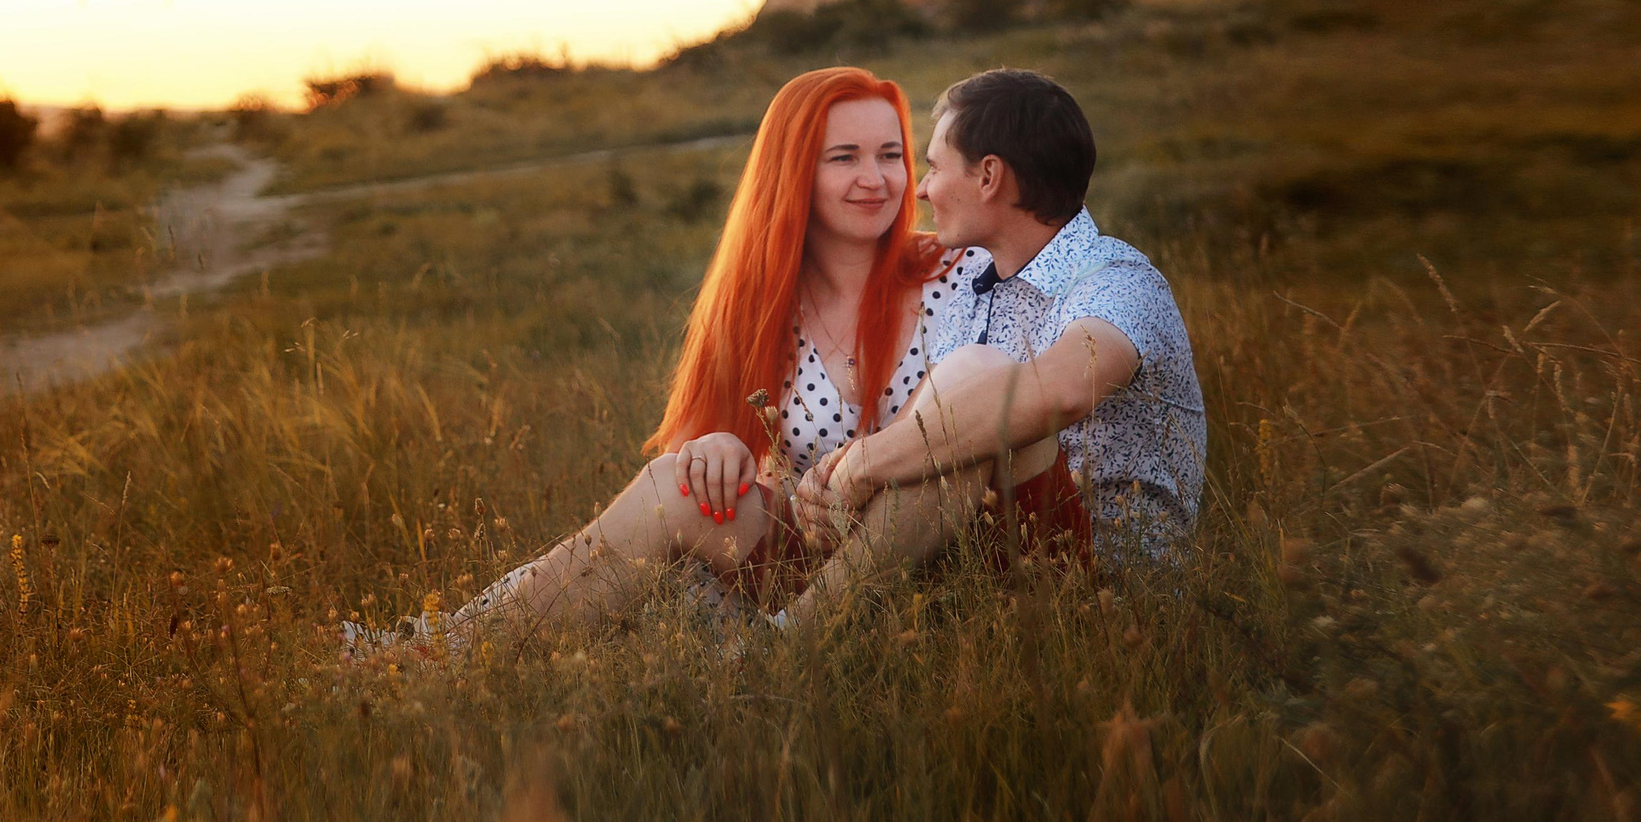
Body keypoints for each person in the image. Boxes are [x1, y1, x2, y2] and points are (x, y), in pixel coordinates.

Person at [346, 65, 956, 655]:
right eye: (844, 157)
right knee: (672, 488)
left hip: (956, 551)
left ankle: (435, 648)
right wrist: (714, 444)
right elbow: (691, 460)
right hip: (819, 567)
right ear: (793, 171)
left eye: (891, 155)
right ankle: (444, 649)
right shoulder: (759, 306)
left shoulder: (954, 273)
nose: (875, 178)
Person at [782, 67, 1205, 622]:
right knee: (957, 421)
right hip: (990, 572)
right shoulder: (976, 289)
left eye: (933, 167)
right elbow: (917, 432)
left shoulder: (1118, 280)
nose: (923, 187)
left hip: (1113, 596)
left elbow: (1065, 391)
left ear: (988, 178)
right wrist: (837, 482)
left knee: (984, 404)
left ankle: (793, 637)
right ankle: (808, 623)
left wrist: (865, 464)